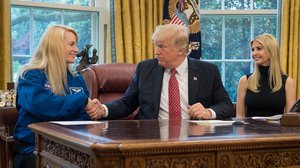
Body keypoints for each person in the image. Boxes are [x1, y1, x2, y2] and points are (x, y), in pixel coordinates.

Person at [95, 24, 234, 120]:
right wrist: (104, 110)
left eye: (161, 46)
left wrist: (208, 112)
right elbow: (128, 103)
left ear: (180, 50)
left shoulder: (208, 71)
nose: (156, 52)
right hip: (152, 136)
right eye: (155, 45)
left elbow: (226, 105)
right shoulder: (145, 69)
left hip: (194, 137)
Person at [13, 25, 103, 168]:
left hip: (73, 146)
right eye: (71, 44)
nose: (76, 50)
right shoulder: (30, 75)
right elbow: (42, 105)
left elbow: (83, 115)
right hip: (34, 148)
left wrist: (93, 111)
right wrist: (81, 101)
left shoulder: (77, 79)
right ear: (55, 46)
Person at [236, 33, 296, 118]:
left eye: (259, 49)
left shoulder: (288, 82)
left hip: (278, 131)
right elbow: (240, 117)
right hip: (250, 130)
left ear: (271, 51)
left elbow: (290, 119)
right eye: (253, 50)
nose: (254, 53)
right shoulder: (244, 80)